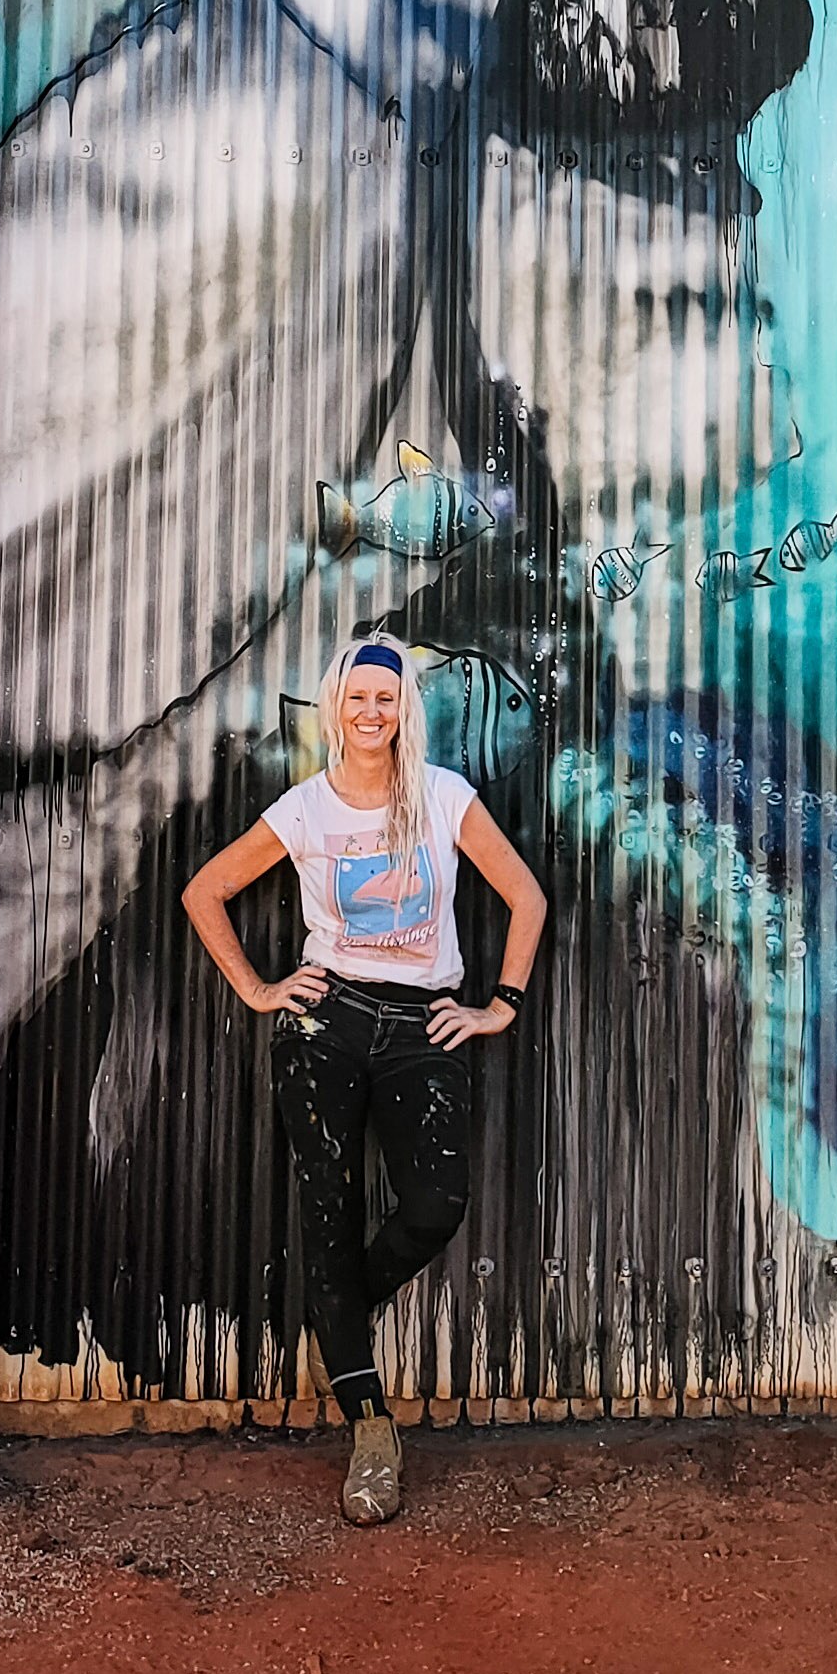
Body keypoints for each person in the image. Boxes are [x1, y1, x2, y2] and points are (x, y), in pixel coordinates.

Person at [180, 637, 548, 1523]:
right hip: (327, 1023)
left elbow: (526, 897)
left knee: (434, 1205)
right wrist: (261, 990)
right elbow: (204, 892)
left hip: (424, 1023)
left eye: (386, 698)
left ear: (402, 709)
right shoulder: (305, 811)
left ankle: (340, 1313)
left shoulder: (445, 798)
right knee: (328, 1214)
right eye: (356, 698)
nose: (371, 712)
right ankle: (371, 1429)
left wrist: (499, 1002)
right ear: (335, 707)